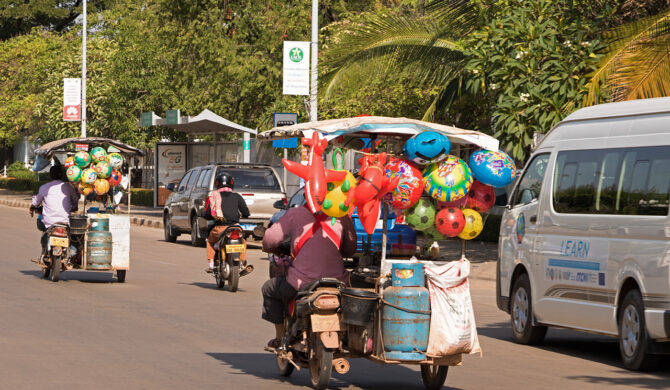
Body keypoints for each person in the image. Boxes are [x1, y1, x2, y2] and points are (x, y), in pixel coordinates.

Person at [261, 205, 357, 348]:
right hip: (337, 283)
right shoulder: (341, 214)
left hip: (301, 283)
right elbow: (350, 248)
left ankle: (280, 338)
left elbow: (270, 239)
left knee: (269, 288)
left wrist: (269, 247)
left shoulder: (296, 212)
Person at [204, 171, 250, 272]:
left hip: (219, 229)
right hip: (235, 228)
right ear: (232, 183)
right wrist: (245, 215)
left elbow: (207, 214)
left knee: (210, 242)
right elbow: (246, 212)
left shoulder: (214, 196)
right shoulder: (237, 196)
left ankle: (211, 264)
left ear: (217, 184)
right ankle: (242, 263)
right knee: (242, 242)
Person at [30, 165, 79, 246]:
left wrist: (32, 207)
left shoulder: (45, 187)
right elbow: (75, 200)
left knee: (40, 222)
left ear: (50, 176)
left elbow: (36, 202)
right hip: (65, 223)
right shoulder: (68, 187)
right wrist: (74, 207)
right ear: (63, 175)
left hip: (49, 223)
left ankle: (45, 247)